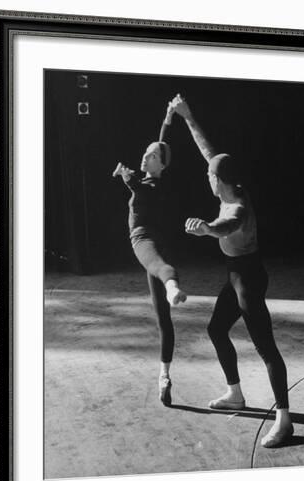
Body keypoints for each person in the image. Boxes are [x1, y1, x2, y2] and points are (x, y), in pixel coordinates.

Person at [170, 94, 294, 448]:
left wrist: (207, 229)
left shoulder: (236, 205)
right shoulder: (230, 184)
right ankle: (235, 395)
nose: (206, 175)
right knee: (216, 329)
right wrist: (187, 115)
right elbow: (207, 150)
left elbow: (227, 225)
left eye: (209, 175)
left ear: (217, 180)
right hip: (237, 275)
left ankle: (283, 421)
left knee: (267, 349)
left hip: (248, 280)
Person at [112, 102, 187, 407]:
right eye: (146, 152)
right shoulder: (153, 173)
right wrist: (167, 119)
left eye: (152, 156)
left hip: (143, 239)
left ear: (162, 165)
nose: (145, 156)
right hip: (160, 245)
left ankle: (172, 286)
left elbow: (140, 189)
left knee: (159, 267)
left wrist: (125, 176)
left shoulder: (153, 184)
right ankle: (164, 375)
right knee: (163, 320)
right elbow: (159, 142)